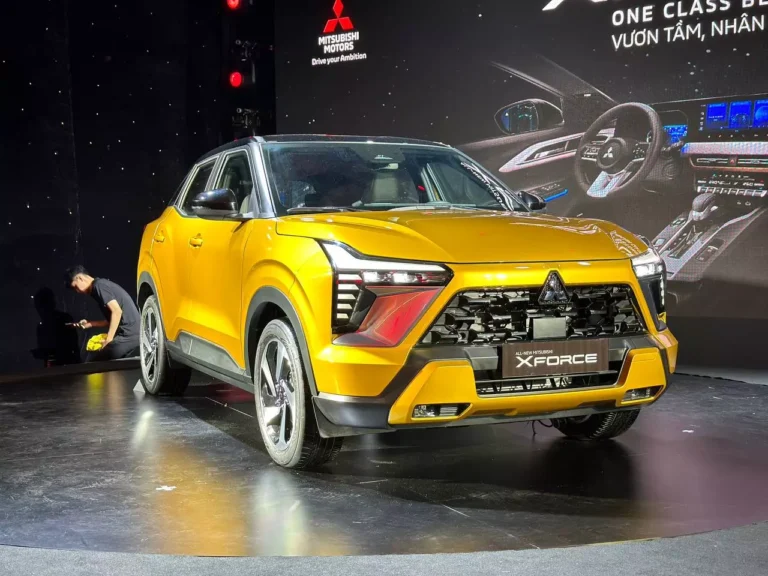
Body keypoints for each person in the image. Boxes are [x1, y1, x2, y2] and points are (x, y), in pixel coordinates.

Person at [65, 265, 140, 361]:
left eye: (75, 287)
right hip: (131, 334)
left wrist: (109, 339)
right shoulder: (100, 285)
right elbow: (113, 320)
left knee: (94, 364)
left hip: (129, 335)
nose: (77, 291)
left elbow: (117, 311)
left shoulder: (99, 286)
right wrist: (90, 324)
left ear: (80, 278)